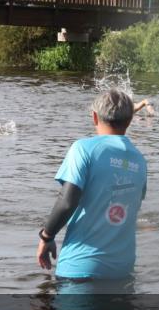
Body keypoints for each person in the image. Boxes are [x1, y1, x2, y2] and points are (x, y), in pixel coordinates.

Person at [37, 90, 148, 280]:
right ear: (129, 121)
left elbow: (67, 202)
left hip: (81, 267)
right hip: (123, 270)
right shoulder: (140, 160)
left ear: (94, 116)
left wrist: (46, 236)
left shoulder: (83, 149)